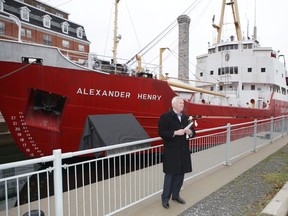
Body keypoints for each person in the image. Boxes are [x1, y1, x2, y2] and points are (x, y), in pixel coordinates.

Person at [158, 96, 196, 209]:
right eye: (180, 103)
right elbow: (161, 132)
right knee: (169, 176)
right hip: (171, 153)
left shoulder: (185, 118)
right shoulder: (165, 117)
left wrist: (190, 132)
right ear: (173, 104)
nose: (182, 105)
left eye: (183, 103)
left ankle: (176, 195)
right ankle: (165, 198)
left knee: (180, 175)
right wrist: (175, 132)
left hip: (183, 152)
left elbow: (194, 133)